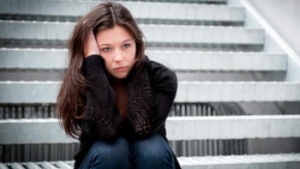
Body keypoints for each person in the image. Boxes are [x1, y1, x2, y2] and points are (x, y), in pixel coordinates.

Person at [56, 1, 180, 169]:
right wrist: (93, 64)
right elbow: (103, 131)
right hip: (101, 160)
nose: (119, 57)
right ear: (89, 50)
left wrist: (139, 67)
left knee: (151, 150)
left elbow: (143, 128)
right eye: (106, 49)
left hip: (150, 157)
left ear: (137, 43)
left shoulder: (162, 78)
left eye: (126, 46)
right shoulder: (83, 80)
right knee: (111, 151)